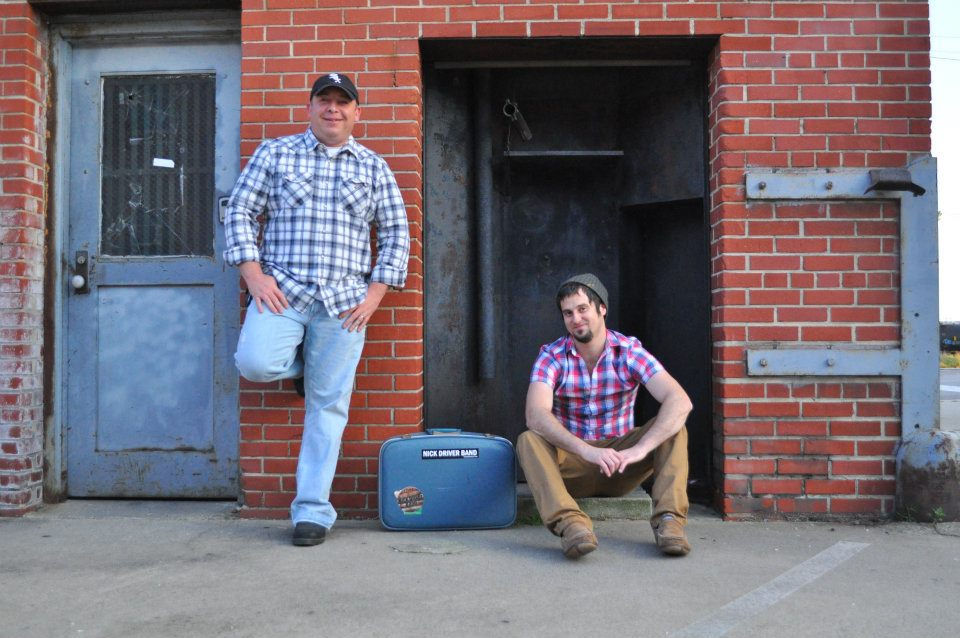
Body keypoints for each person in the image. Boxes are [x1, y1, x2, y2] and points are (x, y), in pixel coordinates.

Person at [223, 73, 410, 547]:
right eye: (324, 101)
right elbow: (240, 209)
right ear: (310, 109)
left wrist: (375, 296)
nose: (333, 109)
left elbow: (396, 234)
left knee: (328, 407)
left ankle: (312, 512)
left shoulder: (374, 167)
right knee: (255, 362)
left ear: (356, 113)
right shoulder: (276, 153)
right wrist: (252, 274)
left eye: (342, 102)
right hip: (282, 294)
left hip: (345, 306)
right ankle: (305, 361)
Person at [518, 274, 693, 559]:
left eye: (583, 309)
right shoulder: (551, 356)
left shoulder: (628, 351)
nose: (576, 319)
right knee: (528, 440)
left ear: (602, 309)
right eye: (568, 313)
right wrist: (586, 450)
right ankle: (572, 525)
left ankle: (669, 522)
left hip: (621, 464)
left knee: (675, 427)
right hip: (573, 465)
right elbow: (535, 414)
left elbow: (680, 400)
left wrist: (639, 449)